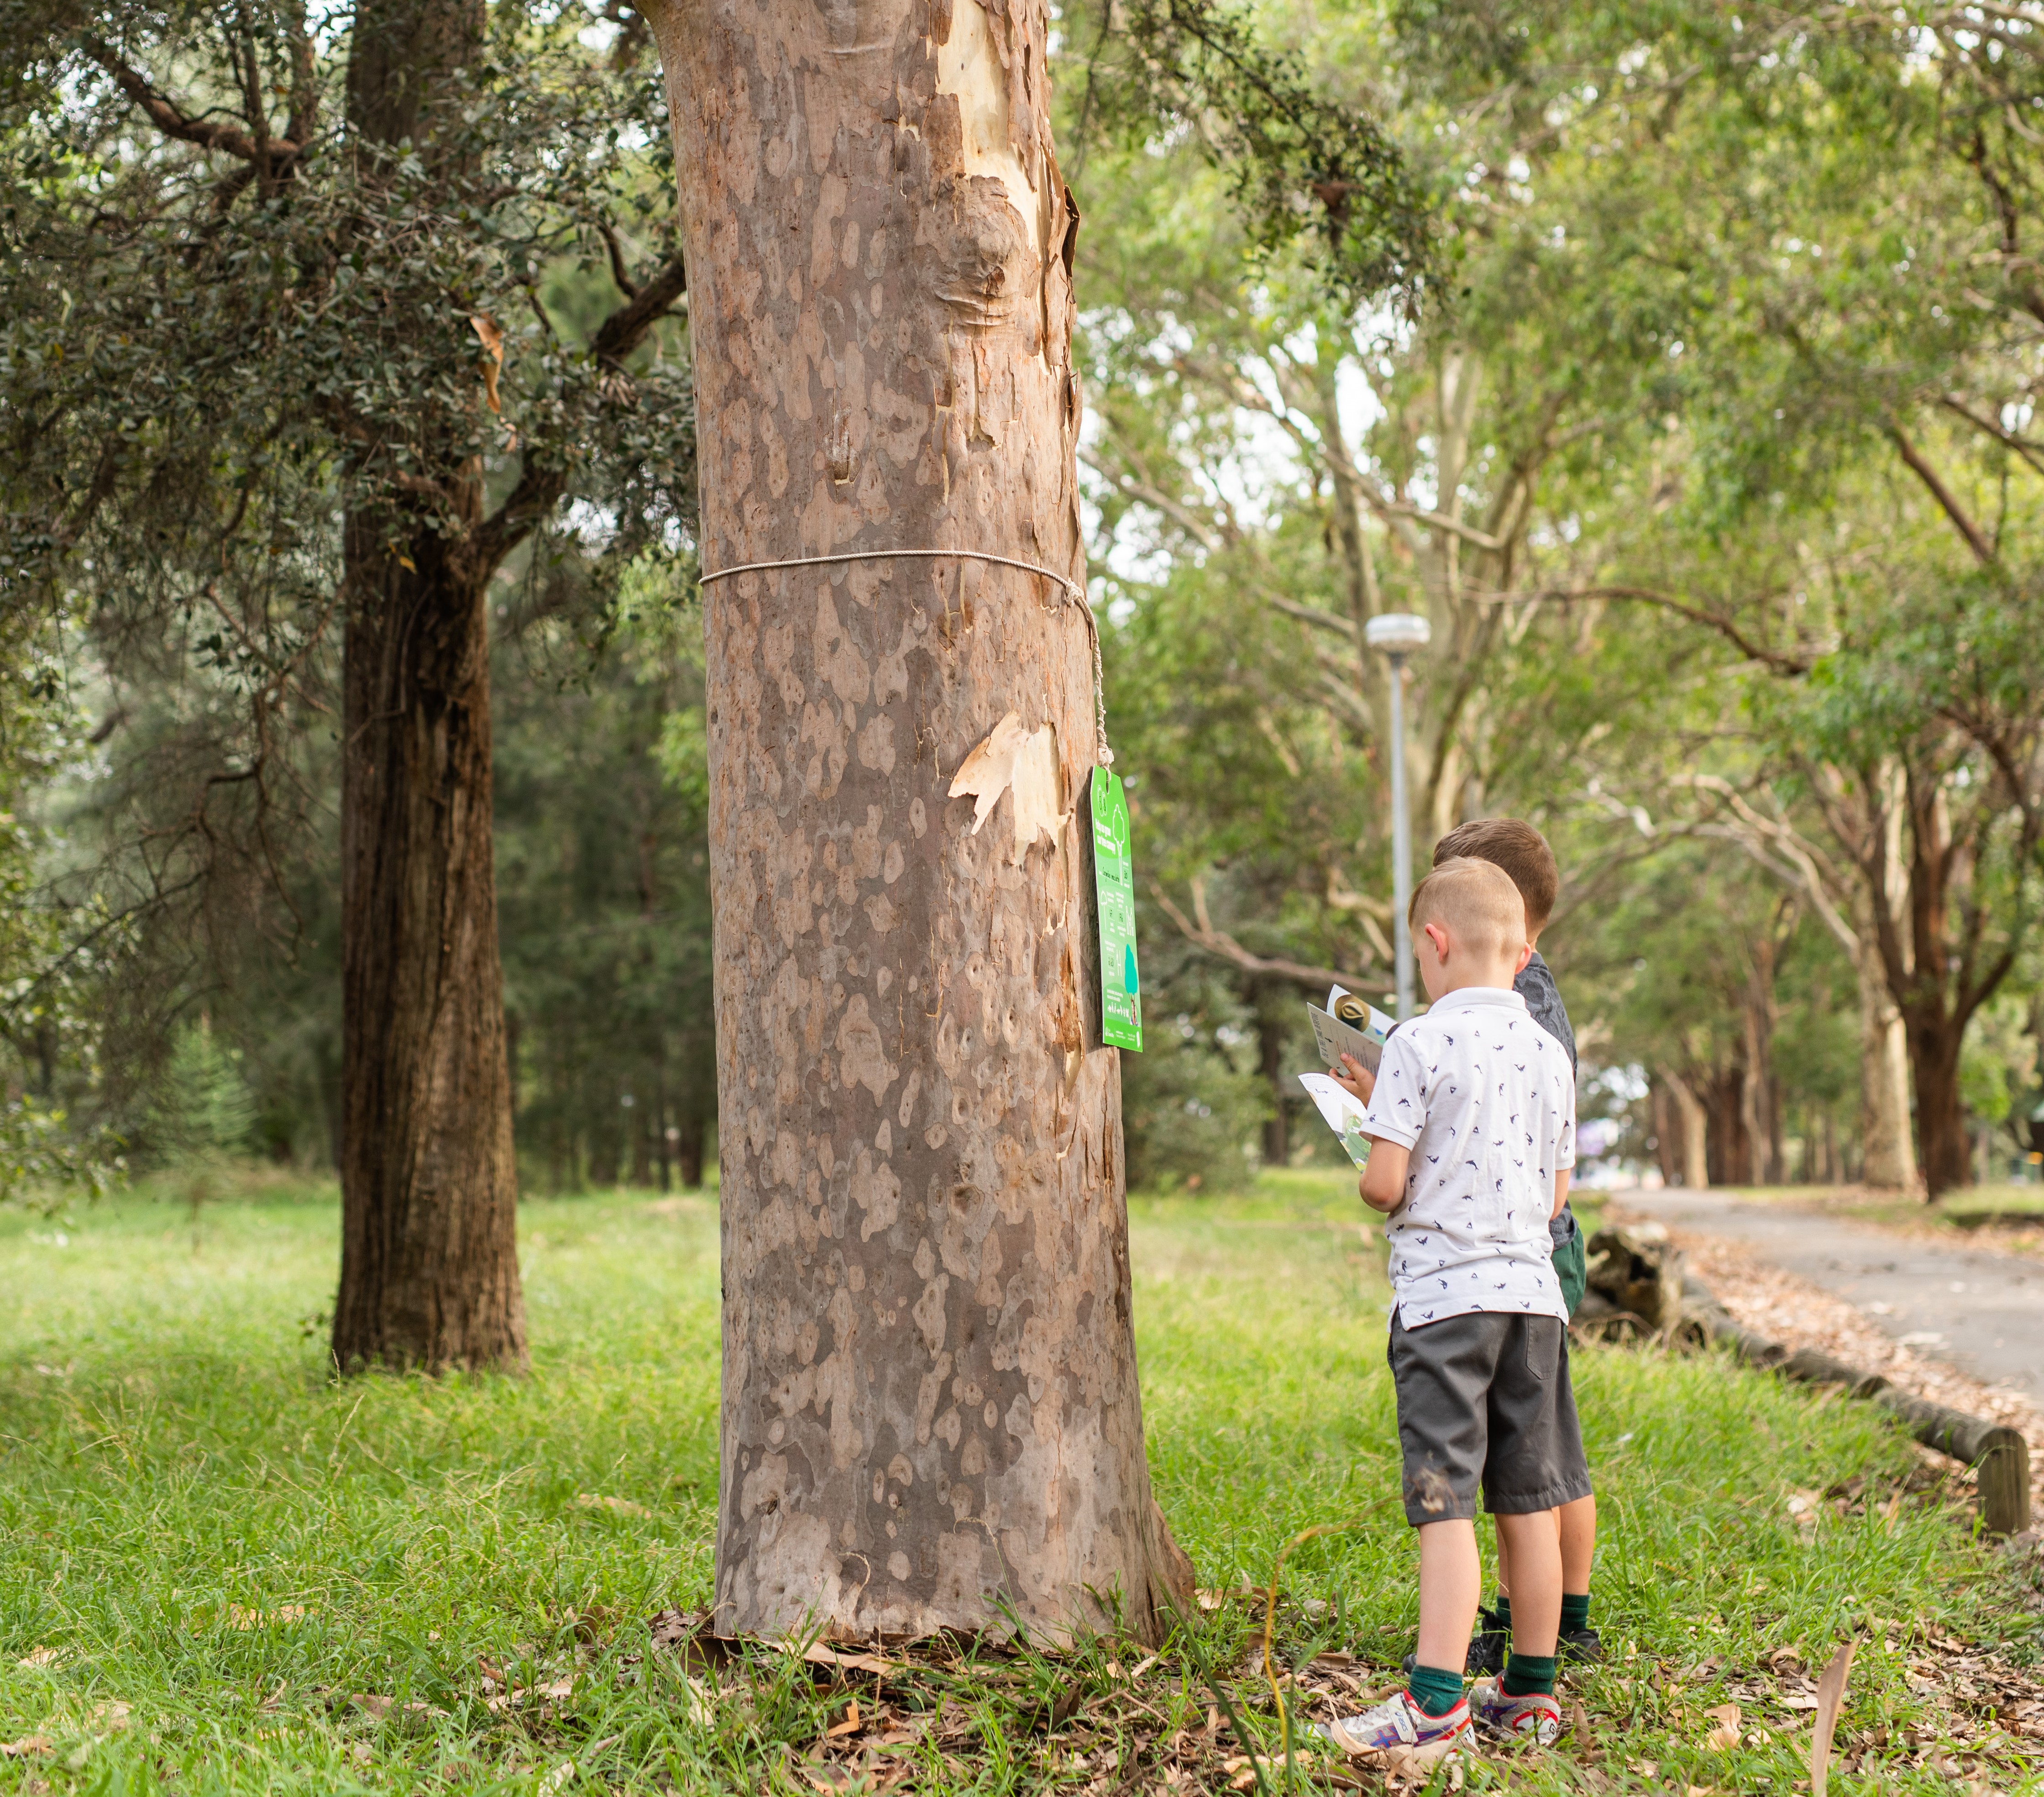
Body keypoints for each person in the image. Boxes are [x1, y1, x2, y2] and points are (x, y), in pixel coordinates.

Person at [1313, 858, 1588, 1767]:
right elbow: (1554, 1199)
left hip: (1442, 1307)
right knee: (1528, 1501)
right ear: (1519, 949)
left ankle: (1433, 1705)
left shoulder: (1416, 1047)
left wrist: (1372, 1136)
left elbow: (1384, 1184)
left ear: (1434, 944)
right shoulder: (1548, 1054)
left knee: (1446, 1505)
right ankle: (1530, 1695)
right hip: (1534, 1308)